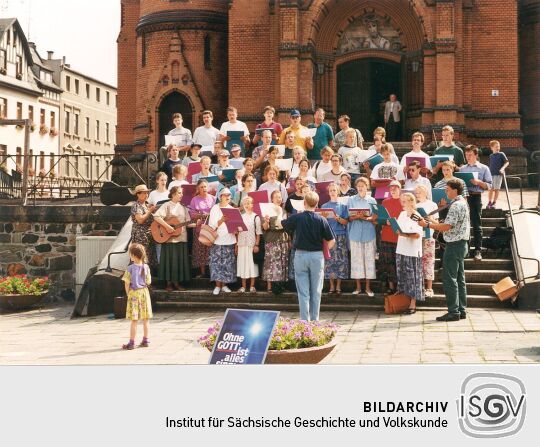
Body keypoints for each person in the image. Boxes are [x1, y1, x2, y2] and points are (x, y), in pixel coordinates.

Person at [418, 180, 470, 321]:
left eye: (447, 189)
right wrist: (433, 221)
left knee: (449, 278)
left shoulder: (456, 205)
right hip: (461, 244)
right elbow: (451, 225)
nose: (445, 192)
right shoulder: (462, 203)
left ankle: (453, 312)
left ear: (455, 190)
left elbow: (447, 227)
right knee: (460, 278)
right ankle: (461, 309)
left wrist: (427, 224)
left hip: (454, 245)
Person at [281, 191, 335, 321]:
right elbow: (331, 240)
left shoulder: (297, 217)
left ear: (304, 203)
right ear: (317, 204)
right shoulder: (322, 219)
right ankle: (315, 320)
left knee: (303, 291)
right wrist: (325, 250)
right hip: (317, 256)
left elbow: (283, 224)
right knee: (316, 290)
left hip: (300, 255)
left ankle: (305, 320)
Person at [153, 186, 191, 291]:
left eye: (181, 193)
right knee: (169, 262)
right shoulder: (167, 205)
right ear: (173, 194)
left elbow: (188, 223)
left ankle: (177, 283)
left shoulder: (184, 207)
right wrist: (167, 226)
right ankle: (169, 284)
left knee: (178, 262)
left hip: (181, 238)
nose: (181, 195)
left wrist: (197, 223)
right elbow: (156, 216)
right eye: (179, 193)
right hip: (169, 239)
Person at [459, 144, 492, 261]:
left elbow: (489, 185)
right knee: (464, 224)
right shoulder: (462, 169)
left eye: (470, 155)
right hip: (464, 198)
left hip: (476, 197)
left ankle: (478, 250)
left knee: (476, 224)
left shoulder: (484, 168)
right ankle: (466, 249)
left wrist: (478, 182)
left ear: (476, 155)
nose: (468, 157)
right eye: (466, 155)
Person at [347, 176, 377, 296]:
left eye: (362, 186)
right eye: (358, 186)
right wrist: (356, 216)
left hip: (369, 233)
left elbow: (375, 217)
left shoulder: (372, 200)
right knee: (356, 261)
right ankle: (358, 287)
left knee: (369, 260)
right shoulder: (351, 199)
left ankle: (368, 288)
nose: (360, 188)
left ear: (367, 187)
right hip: (355, 233)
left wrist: (365, 217)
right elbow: (349, 217)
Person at [395, 192, 424, 314]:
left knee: (413, 278)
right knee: (403, 276)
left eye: (405, 201)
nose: (403, 203)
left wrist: (404, 234)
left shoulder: (416, 215)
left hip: (412, 251)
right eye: (402, 201)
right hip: (401, 248)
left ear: (412, 202)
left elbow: (417, 235)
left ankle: (413, 303)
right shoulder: (402, 214)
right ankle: (403, 302)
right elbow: (399, 228)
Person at [121, 243, 152, 350]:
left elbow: (126, 282)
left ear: (134, 256)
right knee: (146, 319)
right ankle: (146, 340)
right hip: (144, 293)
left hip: (134, 293)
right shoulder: (146, 267)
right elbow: (148, 281)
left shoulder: (130, 268)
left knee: (134, 320)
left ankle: (132, 342)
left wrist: (127, 293)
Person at [208, 188, 237, 295]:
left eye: (229, 195)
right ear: (220, 197)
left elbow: (236, 226)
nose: (227, 197)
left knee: (227, 264)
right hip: (217, 240)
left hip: (229, 240)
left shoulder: (232, 209)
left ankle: (224, 285)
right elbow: (211, 226)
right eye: (225, 195)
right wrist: (221, 220)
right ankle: (217, 286)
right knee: (216, 264)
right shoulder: (215, 208)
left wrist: (235, 229)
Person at [322, 183, 349, 294]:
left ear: (338, 191)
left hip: (340, 235)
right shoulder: (324, 206)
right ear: (328, 192)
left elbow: (346, 222)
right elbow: (321, 224)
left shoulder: (343, 206)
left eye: (334, 190)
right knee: (329, 260)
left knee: (341, 260)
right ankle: (331, 285)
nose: (333, 192)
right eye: (331, 190)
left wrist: (337, 218)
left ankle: (338, 285)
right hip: (328, 236)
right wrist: (323, 218)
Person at [262, 190, 290, 292]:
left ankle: (280, 285)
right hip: (271, 239)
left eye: (280, 197)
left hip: (283, 239)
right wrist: (266, 221)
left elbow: (287, 226)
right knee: (270, 263)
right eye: (276, 197)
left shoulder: (284, 211)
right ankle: (269, 286)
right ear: (272, 199)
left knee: (282, 262)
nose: (278, 199)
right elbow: (265, 228)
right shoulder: (267, 211)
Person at [379, 180, 403, 294]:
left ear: (400, 189)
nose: (392, 190)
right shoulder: (384, 202)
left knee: (399, 263)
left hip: (400, 237)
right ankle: (391, 286)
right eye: (391, 188)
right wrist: (385, 221)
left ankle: (400, 286)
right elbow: (379, 219)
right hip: (387, 236)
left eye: (395, 187)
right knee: (388, 263)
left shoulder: (403, 201)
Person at [414, 185, 438, 298]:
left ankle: (429, 287)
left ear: (426, 192)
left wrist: (429, 219)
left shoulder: (432, 204)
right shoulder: (415, 205)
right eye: (416, 192)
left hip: (428, 235)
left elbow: (436, 222)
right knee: (418, 261)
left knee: (428, 261)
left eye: (419, 192)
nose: (417, 194)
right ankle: (420, 286)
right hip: (417, 235)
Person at [189, 179, 215, 278]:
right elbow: (191, 213)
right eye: (201, 187)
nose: (204, 189)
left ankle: (212, 272)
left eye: (205, 186)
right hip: (200, 227)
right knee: (200, 250)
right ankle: (202, 272)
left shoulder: (213, 198)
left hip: (211, 227)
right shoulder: (194, 199)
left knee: (210, 249)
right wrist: (201, 215)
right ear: (198, 189)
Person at [236, 196, 262, 293]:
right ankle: (243, 286)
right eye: (245, 203)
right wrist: (236, 245)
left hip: (251, 244)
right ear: (243, 205)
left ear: (252, 204)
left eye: (249, 203)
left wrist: (257, 245)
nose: (247, 205)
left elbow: (258, 233)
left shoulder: (256, 217)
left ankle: (252, 286)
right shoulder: (240, 217)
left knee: (252, 265)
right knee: (243, 265)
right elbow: (237, 232)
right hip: (242, 244)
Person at [130, 184, 157, 268]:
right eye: (144, 193)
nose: (146, 195)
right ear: (138, 194)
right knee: (140, 257)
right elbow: (140, 220)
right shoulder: (136, 205)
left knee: (148, 259)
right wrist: (150, 211)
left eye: (147, 193)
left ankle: (146, 278)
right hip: (140, 235)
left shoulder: (147, 204)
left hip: (149, 235)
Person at [487, 140, 509, 209]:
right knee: (490, 189)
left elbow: (507, 162)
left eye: (499, 146)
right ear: (492, 148)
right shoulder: (491, 156)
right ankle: (489, 202)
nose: (498, 148)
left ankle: (494, 202)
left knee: (496, 189)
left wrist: (502, 168)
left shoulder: (501, 154)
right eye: (496, 146)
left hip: (498, 175)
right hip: (491, 175)